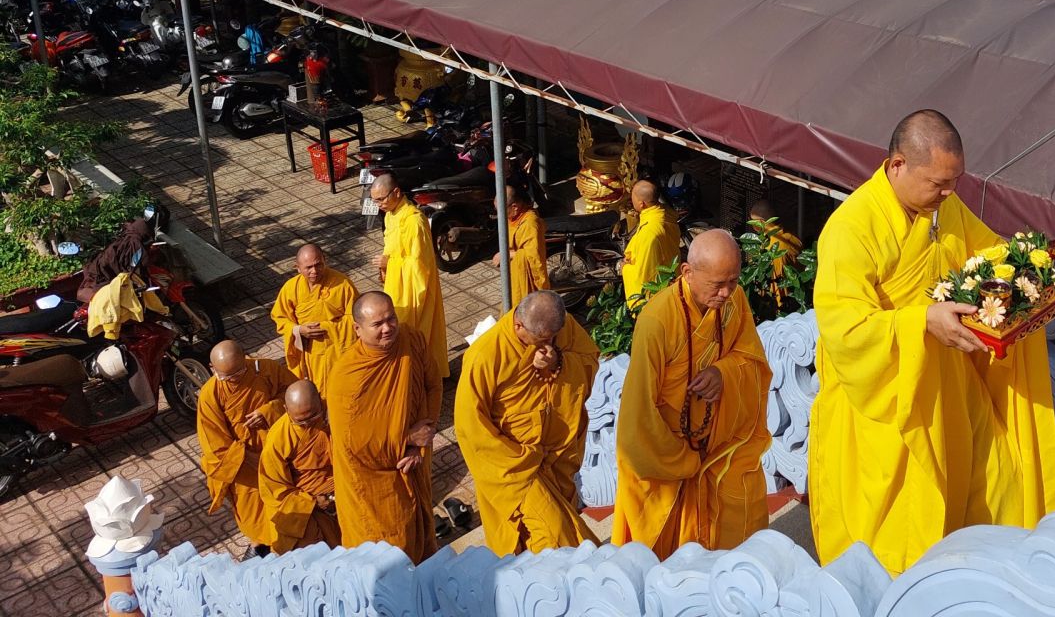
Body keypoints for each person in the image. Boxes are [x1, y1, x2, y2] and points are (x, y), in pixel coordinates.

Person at [809, 110, 1055, 574]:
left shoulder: (942, 207)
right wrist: (922, 321)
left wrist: (1029, 271)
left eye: (955, 182)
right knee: (899, 530)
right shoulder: (852, 229)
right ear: (897, 165)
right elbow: (845, 328)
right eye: (938, 183)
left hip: (951, 383)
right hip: (889, 396)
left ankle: (984, 583)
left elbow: (985, 254)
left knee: (996, 484)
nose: (949, 194)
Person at [612, 229, 773, 557]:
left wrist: (722, 373)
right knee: (664, 553)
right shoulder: (657, 321)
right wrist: (681, 461)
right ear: (687, 272)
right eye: (718, 284)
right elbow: (638, 411)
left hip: (717, 444)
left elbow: (751, 358)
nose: (726, 292)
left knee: (742, 516)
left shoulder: (734, 300)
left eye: (733, 281)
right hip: (668, 452)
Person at [455, 290, 600, 555]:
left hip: (558, 452)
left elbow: (589, 361)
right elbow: (469, 425)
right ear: (519, 325)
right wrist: (518, 459)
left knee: (565, 520)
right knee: (552, 532)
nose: (549, 343)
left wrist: (558, 361)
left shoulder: (562, 328)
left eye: (553, 337)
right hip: (515, 464)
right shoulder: (485, 354)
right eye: (542, 339)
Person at [324, 291, 443, 564]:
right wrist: (407, 440)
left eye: (391, 319)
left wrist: (423, 437)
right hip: (373, 483)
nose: (387, 328)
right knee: (388, 556)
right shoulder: (347, 376)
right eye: (377, 324)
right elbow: (355, 446)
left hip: (413, 461)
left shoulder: (411, 340)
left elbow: (433, 385)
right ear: (357, 329)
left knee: (422, 536)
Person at [196, 340, 293, 554]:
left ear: (245, 359)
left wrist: (270, 410)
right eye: (227, 377)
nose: (234, 379)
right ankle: (259, 547)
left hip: (278, 451)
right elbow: (214, 444)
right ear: (212, 369)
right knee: (254, 513)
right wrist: (253, 460)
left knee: (285, 502)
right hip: (243, 465)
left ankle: (288, 545)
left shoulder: (266, 369)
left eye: (239, 372)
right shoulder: (210, 395)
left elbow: (295, 395)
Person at [370, 173, 449, 379]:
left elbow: (420, 264)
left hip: (414, 290)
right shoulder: (391, 215)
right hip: (398, 285)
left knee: (414, 333)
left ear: (396, 192)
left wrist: (390, 263)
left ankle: (420, 376)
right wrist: (387, 266)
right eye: (375, 200)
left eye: (381, 199)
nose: (378, 204)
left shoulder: (414, 221)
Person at [259, 379, 340, 552]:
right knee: (314, 552)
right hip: (310, 503)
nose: (308, 424)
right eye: (301, 422)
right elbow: (275, 489)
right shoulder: (278, 439)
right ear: (286, 410)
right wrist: (312, 502)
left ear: (320, 399)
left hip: (346, 487)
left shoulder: (337, 410)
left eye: (314, 417)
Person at [269, 243, 357, 394]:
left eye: (318, 265)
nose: (314, 271)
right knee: (311, 392)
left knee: (339, 389)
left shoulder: (342, 284)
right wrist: (298, 330)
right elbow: (280, 317)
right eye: (308, 267)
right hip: (308, 352)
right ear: (297, 267)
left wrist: (327, 328)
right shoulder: (291, 288)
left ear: (325, 261)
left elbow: (356, 318)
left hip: (335, 351)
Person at [621, 179, 680, 312]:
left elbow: (644, 274)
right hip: (672, 266)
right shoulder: (664, 212)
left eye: (633, 198)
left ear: (641, 204)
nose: (631, 201)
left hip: (661, 283)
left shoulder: (650, 234)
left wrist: (625, 269)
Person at [491, 184, 548, 306]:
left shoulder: (530, 223)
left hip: (526, 278)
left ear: (515, 207)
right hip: (514, 273)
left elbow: (534, 257)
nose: (499, 215)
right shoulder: (512, 217)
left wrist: (507, 255)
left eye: (501, 211)